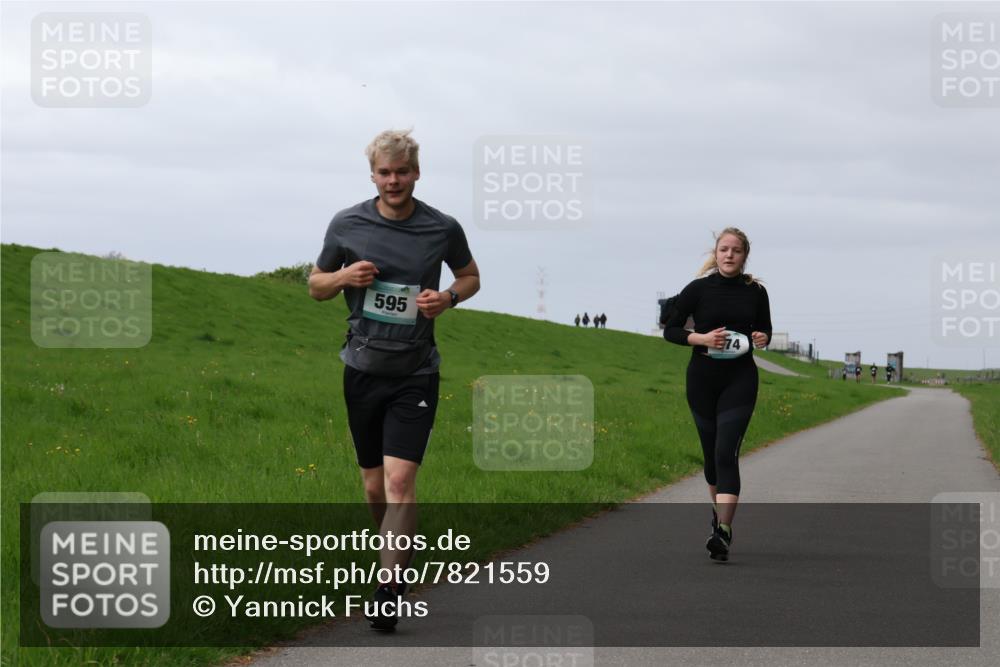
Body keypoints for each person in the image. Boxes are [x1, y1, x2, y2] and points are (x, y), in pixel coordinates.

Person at [308, 129, 480, 630]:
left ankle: (389, 587)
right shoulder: (347, 223)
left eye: (402, 171)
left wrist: (447, 298)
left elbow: (471, 276)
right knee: (373, 488)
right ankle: (396, 548)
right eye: (384, 172)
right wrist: (344, 277)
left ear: (416, 173)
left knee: (401, 480)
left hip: (415, 372)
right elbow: (316, 285)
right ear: (373, 176)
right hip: (363, 370)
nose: (393, 181)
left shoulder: (441, 227)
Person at [663, 228, 771, 562]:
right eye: (724, 249)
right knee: (711, 458)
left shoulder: (756, 292)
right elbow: (671, 330)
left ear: (744, 255)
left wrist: (762, 337)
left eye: (736, 250)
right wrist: (703, 339)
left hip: (740, 379)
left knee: (726, 452)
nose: (729, 255)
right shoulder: (697, 289)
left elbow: (765, 328)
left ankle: (723, 531)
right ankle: (718, 515)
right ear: (716, 252)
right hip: (702, 379)